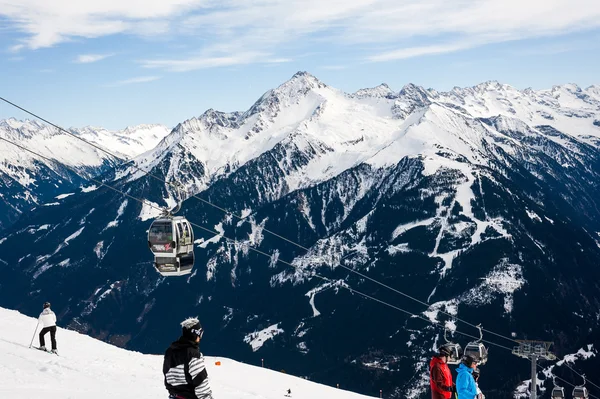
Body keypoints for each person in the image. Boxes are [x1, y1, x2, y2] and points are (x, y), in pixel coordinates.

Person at [163, 317, 213, 399]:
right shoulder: (193, 355)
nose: (200, 337)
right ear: (195, 334)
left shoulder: (169, 352)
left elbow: (168, 377)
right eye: (200, 334)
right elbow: (201, 384)